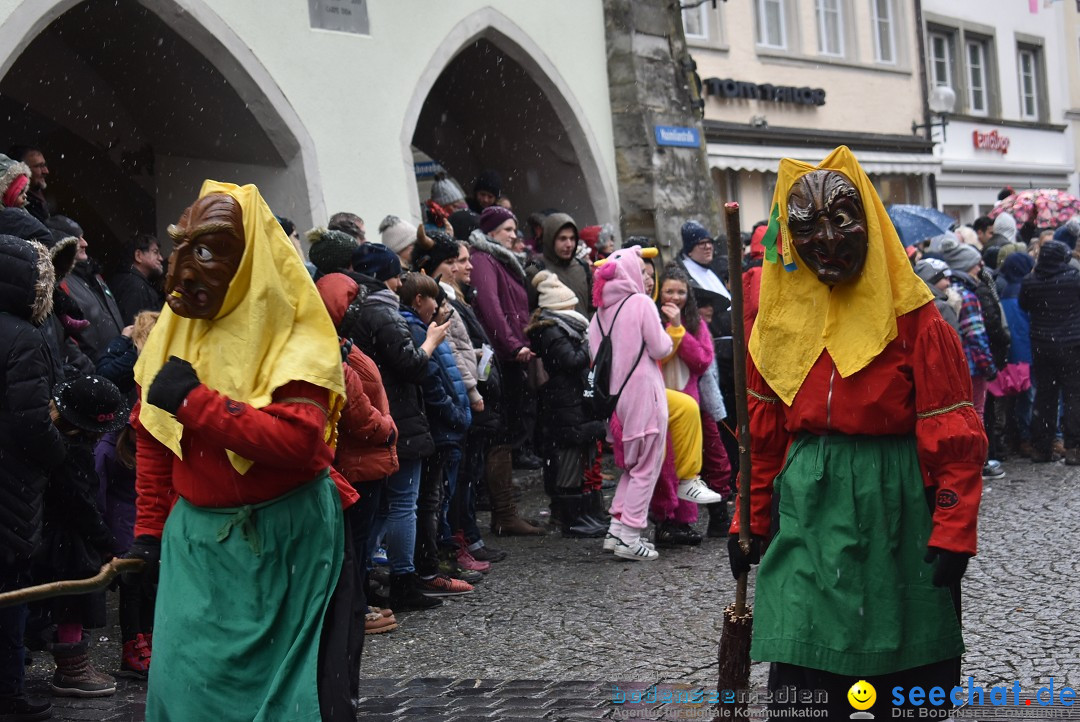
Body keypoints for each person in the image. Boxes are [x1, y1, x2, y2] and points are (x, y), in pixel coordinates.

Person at [727, 147, 985, 720]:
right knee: (807, 669)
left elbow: (952, 432)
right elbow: (763, 436)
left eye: (840, 221)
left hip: (892, 504)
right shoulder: (779, 321)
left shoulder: (916, 318)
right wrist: (750, 517)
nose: (826, 240)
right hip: (808, 509)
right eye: (806, 228)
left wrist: (952, 524)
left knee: (899, 670)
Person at [129, 181, 356, 720]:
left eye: (207, 251)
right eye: (182, 247)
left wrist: (196, 401)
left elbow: (298, 442)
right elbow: (155, 439)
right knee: (185, 693)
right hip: (199, 551)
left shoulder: (295, 334)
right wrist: (148, 532)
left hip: (288, 545)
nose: (185, 268)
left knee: (294, 697)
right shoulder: (174, 335)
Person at [349, 241, 449, 610]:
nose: (399, 286)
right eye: (395, 277)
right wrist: (431, 342)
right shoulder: (381, 312)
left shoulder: (354, 309)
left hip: (378, 416)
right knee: (402, 502)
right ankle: (403, 578)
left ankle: (364, 578)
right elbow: (412, 365)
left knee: (378, 506)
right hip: (395, 418)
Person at [0, 234, 67, 722]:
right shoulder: (23, 336)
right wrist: (58, 452)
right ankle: (9, 692)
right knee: (11, 591)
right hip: (11, 482)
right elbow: (30, 422)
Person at [41, 375, 129, 699]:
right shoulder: (73, 455)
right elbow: (80, 506)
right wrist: (106, 541)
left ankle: (72, 664)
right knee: (73, 601)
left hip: (56, 533)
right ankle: (71, 668)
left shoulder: (55, 442)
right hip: (68, 541)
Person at [589, 246, 674, 561]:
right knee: (646, 467)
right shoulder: (640, 303)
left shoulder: (597, 316)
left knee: (629, 468)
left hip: (615, 403)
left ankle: (616, 530)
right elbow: (660, 347)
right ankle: (630, 536)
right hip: (643, 397)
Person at [468, 205, 547, 531]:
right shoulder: (485, 260)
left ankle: (506, 510)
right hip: (502, 356)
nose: (515, 235)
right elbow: (491, 308)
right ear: (491, 232)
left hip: (510, 352)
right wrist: (513, 345)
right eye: (508, 229)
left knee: (509, 429)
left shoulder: (499, 258)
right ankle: (504, 513)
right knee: (501, 433)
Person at [397, 273, 474, 595]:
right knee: (428, 501)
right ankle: (428, 569)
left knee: (429, 500)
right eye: (435, 301)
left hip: (434, 427)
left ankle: (428, 566)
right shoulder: (418, 330)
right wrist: (455, 416)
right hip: (435, 429)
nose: (439, 308)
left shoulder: (417, 328)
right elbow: (432, 380)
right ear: (419, 301)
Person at [525, 271, 607, 537]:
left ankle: (582, 515)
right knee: (569, 459)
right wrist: (589, 344)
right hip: (565, 402)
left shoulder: (558, 327)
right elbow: (570, 360)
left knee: (579, 457)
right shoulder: (552, 330)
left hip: (570, 401)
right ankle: (573, 519)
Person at [1020, 240, 1080, 465]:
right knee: (1074, 396)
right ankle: (1074, 447)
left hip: (1042, 345)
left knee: (1045, 397)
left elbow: (1024, 305)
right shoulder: (1073, 278)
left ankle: (1042, 447)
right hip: (1072, 345)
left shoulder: (1030, 281)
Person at [49, 215, 124, 363]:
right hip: (96, 371)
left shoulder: (94, 275)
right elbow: (66, 338)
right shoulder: (60, 284)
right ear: (63, 244)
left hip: (114, 365)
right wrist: (88, 369)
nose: (85, 243)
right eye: (78, 239)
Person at [525, 213, 592, 316]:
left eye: (572, 238)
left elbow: (592, 307)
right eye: (562, 239)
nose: (569, 244)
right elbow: (527, 311)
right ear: (550, 239)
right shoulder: (535, 269)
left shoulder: (582, 267)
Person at [108, 234, 165, 325]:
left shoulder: (131, 282)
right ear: (138, 255)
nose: (161, 258)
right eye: (155, 252)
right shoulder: (134, 286)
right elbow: (133, 329)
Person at [4, 147, 47, 222]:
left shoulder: (37, 201)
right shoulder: (20, 209)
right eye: (38, 166)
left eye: (44, 165)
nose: (46, 171)